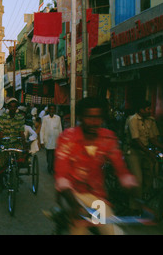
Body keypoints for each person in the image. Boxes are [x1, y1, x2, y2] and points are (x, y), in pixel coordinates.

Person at [54, 97, 137, 235]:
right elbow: (61, 176)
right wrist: (73, 203)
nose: (94, 122)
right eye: (89, 117)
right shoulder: (67, 138)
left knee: (113, 232)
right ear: (80, 117)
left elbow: (120, 167)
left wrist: (129, 184)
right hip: (72, 196)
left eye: (98, 117)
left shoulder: (108, 138)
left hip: (97, 198)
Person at [124, 100, 163, 213]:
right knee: (137, 179)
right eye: (147, 109)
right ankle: (133, 207)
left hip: (145, 151)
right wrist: (149, 152)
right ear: (141, 110)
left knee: (150, 176)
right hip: (133, 151)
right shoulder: (133, 120)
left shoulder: (151, 120)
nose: (150, 111)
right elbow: (135, 140)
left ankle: (141, 200)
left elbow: (153, 139)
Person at [0, 98, 27, 193]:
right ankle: (1, 182)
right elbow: (0, 133)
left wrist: (25, 146)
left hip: (16, 143)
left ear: (17, 108)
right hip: (5, 143)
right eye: (11, 107)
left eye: (15, 107)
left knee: (22, 159)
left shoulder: (20, 118)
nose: (13, 109)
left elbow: (21, 132)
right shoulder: (2, 118)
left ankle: (15, 174)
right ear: (8, 107)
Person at [40, 104, 62, 174]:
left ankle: (53, 167)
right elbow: (42, 129)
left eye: (53, 109)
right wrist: (42, 141)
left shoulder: (58, 118)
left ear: (55, 110)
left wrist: (61, 140)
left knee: (55, 155)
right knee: (49, 155)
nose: (52, 110)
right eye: (51, 109)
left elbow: (60, 129)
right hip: (48, 139)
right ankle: (49, 167)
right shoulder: (45, 118)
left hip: (56, 139)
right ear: (48, 110)